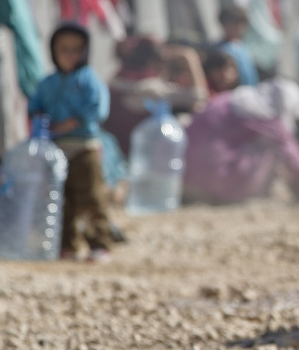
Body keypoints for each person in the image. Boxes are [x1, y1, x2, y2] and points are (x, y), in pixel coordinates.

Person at [27, 21, 113, 263]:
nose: (69, 55)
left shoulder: (88, 79)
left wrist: (72, 122)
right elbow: (35, 107)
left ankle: (99, 244)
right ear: (53, 51)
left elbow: (99, 108)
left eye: (76, 50)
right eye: (63, 49)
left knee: (92, 199)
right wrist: (39, 119)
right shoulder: (48, 83)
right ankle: (68, 245)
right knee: (61, 199)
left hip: (84, 148)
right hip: (57, 150)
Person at [183, 78, 299, 204]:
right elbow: (293, 158)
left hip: (185, 176)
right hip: (215, 181)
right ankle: (242, 196)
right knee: (270, 151)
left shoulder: (230, 98)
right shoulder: (268, 119)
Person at [104, 36, 208, 155]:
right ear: (152, 62)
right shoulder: (149, 88)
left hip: (119, 150)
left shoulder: (119, 79)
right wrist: (190, 58)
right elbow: (199, 97)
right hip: (135, 157)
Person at [216, 4, 259, 87]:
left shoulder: (244, 47)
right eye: (231, 23)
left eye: (240, 23)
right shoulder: (221, 50)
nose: (238, 27)